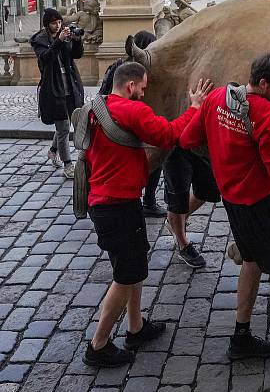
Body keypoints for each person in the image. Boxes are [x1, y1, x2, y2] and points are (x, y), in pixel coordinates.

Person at [179, 54, 270, 384]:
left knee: (251, 261)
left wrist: (199, 109)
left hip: (232, 201)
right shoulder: (264, 112)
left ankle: (241, 337)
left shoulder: (218, 96)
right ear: (264, 83)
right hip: (261, 203)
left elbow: (188, 139)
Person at [83, 62, 211, 367]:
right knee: (126, 275)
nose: (144, 93)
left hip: (102, 200)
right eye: (143, 88)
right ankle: (98, 344)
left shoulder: (95, 107)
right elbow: (169, 135)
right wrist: (194, 106)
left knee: (134, 264)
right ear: (130, 86)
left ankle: (135, 326)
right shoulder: (133, 111)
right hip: (118, 204)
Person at [98, 30, 166, 218]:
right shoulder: (137, 72)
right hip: (130, 123)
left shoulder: (119, 67)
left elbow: (102, 96)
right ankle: (146, 200)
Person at [31, 8, 84, 179]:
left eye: (60, 22)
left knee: (65, 125)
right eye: (54, 23)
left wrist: (76, 41)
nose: (58, 25)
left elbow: (77, 54)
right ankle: (68, 165)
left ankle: (53, 151)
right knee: (62, 127)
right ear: (47, 25)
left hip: (69, 84)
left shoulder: (64, 34)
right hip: (54, 88)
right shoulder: (40, 41)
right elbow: (46, 59)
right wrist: (59, 41)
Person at [162, 145, 221, 268]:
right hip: (174, 142)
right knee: (177, 195)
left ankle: (174, 221)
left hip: (200, 140)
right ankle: (182, 243)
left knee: (208, 190)